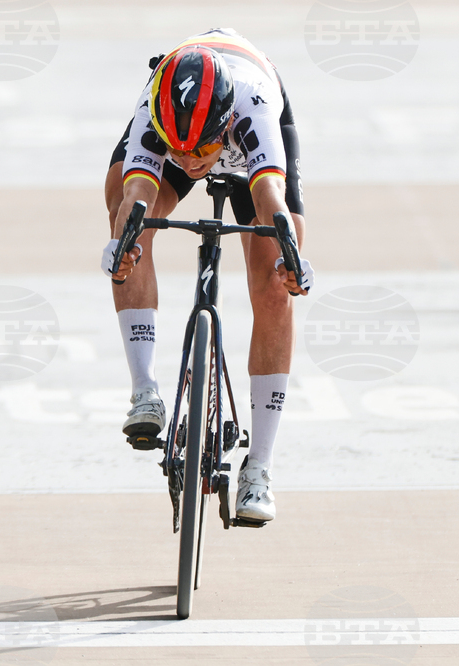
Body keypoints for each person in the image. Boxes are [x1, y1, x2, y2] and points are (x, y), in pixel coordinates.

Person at [101, 29, 314, 522]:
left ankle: (258, 466)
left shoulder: (252, 108)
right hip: (182, 116)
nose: (191, 165)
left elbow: (270, 202)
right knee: (124, 216)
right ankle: (145, 390)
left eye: (199, 153)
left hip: (250, 140)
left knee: (277, 281)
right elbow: (137, 194)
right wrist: (123, 245)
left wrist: (291, 258)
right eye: (180, 154)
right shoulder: (156, 113)